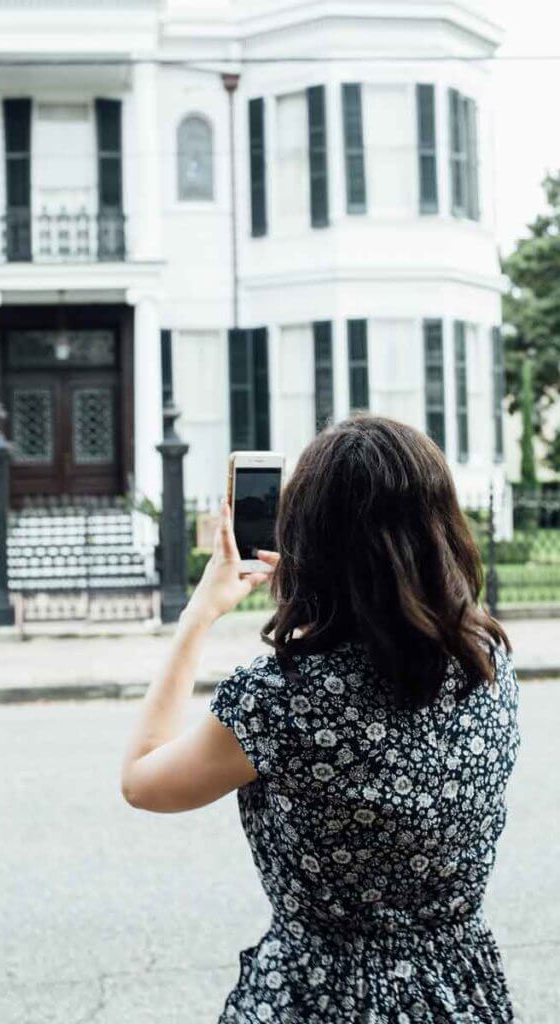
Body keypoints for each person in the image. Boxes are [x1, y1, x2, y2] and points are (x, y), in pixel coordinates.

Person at [121, 415, 520, 1023]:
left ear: (307, 535)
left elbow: (142, 782)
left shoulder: (281, 699)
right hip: (456, 991)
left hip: (320, 996)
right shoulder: (487, 663)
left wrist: (198, 616)